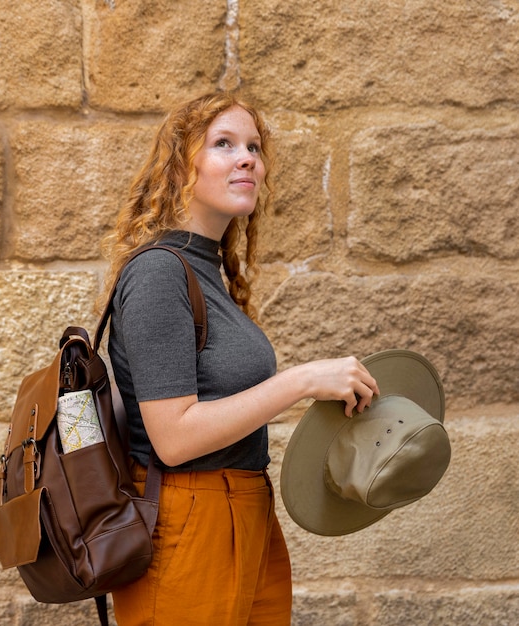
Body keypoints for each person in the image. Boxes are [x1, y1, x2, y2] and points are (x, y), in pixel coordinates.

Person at [100, 91, 380, 625]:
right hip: (189, 522)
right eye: (223, 144)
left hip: (245, 510)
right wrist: (300, 381)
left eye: (253, 146)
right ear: (183, 165)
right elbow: (174, 437)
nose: (247, 157)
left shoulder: (210, 271)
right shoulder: (160, 273)